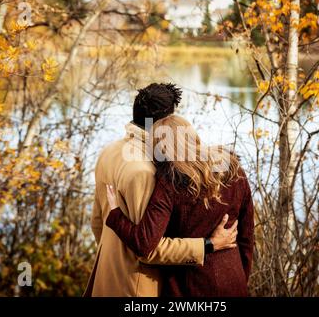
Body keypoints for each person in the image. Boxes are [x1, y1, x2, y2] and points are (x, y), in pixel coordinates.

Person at [83, 83, 239, 297]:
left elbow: (97, 223)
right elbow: (149, 249)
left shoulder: (109, 152)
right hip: (137, 288)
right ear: (163, 123)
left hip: (105, 279)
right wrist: (208, 245)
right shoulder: (146, 171)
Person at [105, 114, 254, 297]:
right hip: (233, 279)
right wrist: (241, 277)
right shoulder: (232, 168)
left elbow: (144, 243)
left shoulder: (170, 182)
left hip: (188, 288)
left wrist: (114, 215)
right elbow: (247, 236)